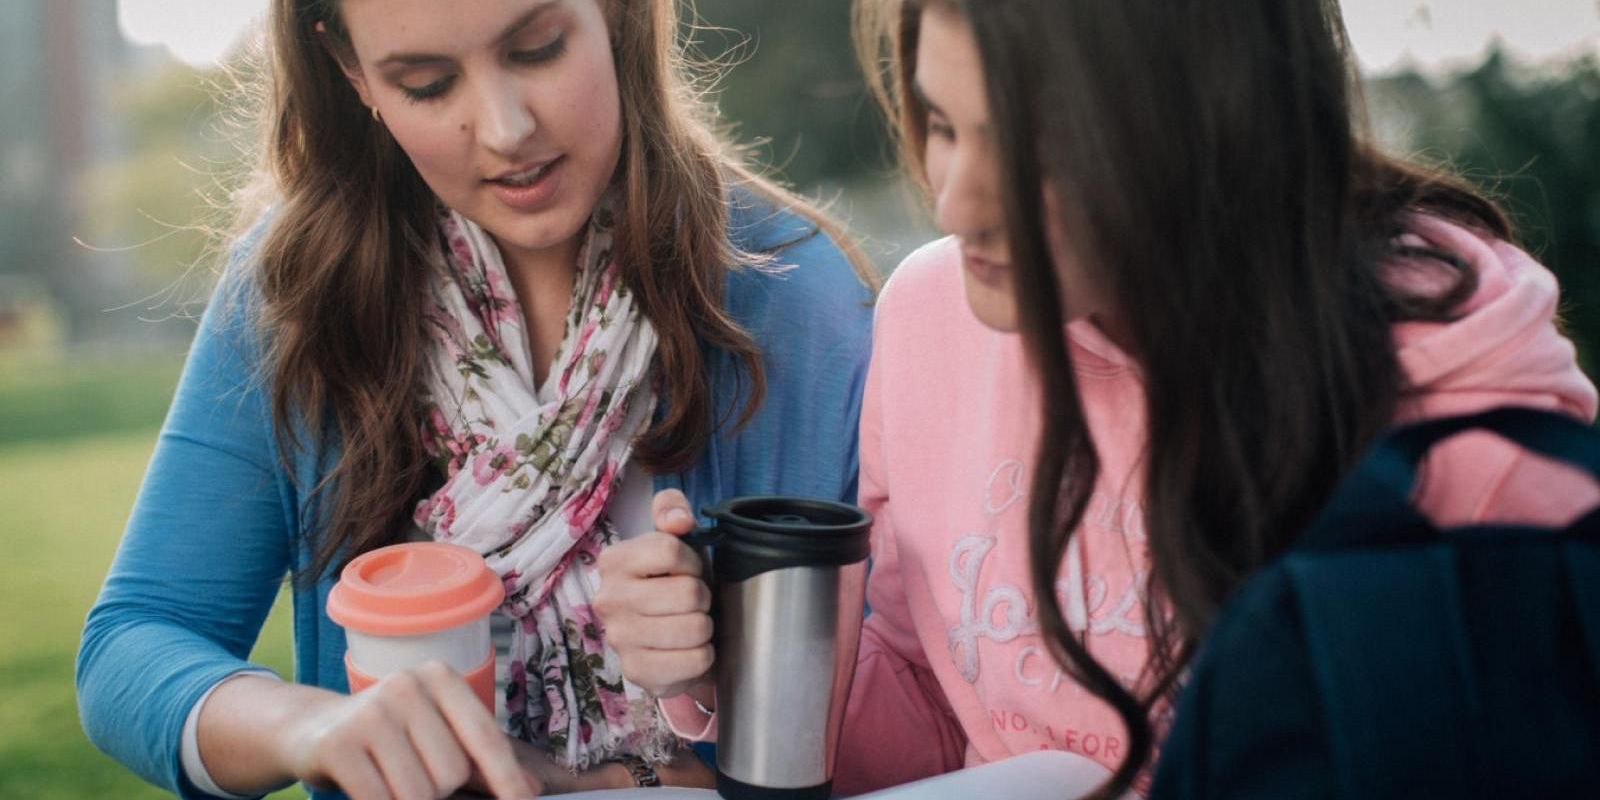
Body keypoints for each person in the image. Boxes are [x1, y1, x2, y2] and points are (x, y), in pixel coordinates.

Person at [593, 0, 1599, 797]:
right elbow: (923, 722)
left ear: (1206, 120)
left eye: (1030, 152)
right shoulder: (931, 317)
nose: (954, 202)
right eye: (940, 124)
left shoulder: (1457, 404)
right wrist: (731, 657)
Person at [76, 1, 876, 798]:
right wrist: (312, 727)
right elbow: (131, 646)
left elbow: (910, 709)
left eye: (538, 48)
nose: (504, 130)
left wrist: (719, 684)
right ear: (352, 71)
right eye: (427, 84)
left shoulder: (799, 301)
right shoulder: (299, 293)